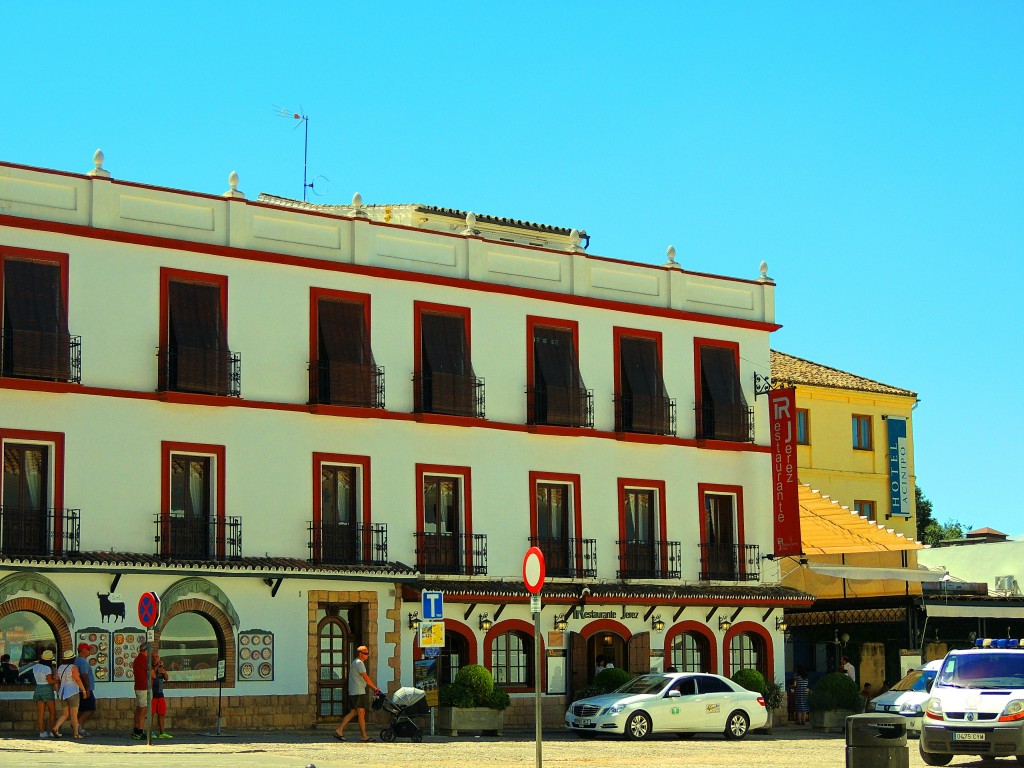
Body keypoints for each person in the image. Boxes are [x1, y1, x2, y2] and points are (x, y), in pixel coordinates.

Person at [334, 644, 380, 742]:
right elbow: (365, 677)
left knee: (354, 712)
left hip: (356, 690)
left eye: (368, 653)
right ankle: (363, 736)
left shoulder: (356, 662)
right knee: (361, 712)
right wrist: (375, 688)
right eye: (366, 653)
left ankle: (339, 730)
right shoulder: (359, 663)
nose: (368, 655)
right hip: (358, 691)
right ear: (360, 654)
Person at [52, 649, 87, 738]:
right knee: (74, 715)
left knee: (65, 714)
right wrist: (83, 690)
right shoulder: (73, 667)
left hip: (62, 693)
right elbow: (77, 679)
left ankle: (56, 728)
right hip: (72, 692)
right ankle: (76, 733)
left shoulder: (60, 668)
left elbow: (56, 681)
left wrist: (58, 692)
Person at [31, 649, 57, 738]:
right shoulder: (47, 668)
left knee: (40, 713)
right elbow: (50, 681)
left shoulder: (35, 667)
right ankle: (52, 731)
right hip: (47, 689)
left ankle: (41, 732)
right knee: (52, 712)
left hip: (38, 688)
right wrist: (57, 680)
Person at [74, 643, 97, 736]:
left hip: (80, 689)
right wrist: (87, 689)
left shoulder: (77, 660)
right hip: (84, 689)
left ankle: (79, 727)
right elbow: (84, 676)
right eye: (88, 649)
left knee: (83, 709)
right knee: (90, 708)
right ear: (82, 650)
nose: (89, 651)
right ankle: (78, 725)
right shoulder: (82, 662)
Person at [151, 652, 172, 738]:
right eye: (154, 657)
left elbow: (166, 678)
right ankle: (150, 732)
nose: (156, 658)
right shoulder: (150, 666)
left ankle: (162, 732)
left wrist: (164, 672)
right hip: (152, 694)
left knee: (161, 713)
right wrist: (156, 667)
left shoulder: (161, 667)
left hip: (160, 693)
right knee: (151, 714)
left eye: (157, 656)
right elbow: (152, 676)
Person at [132, 641, 149, 740]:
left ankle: (136, 729)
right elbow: (151, 673)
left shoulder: (137, 659)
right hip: (143, 687)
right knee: (143, 709)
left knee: (138, 708)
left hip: (138, 686)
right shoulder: (144, 659)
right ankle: (140, 730)